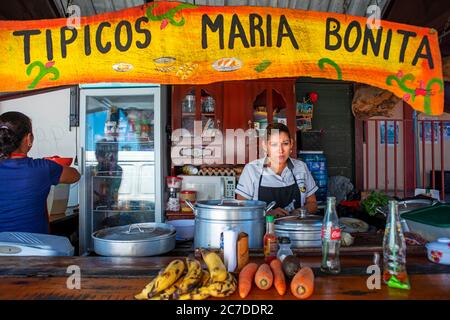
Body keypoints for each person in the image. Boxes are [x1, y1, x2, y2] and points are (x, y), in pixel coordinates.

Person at [0, 111, 80, 234]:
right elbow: (75, 175)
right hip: (35, 247)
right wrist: (51, 165)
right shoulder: (43, 168)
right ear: (29, 139)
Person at [236, 123, 318, 216]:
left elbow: (312, 203)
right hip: (263, 229)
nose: (280, 150)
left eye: (285, 143)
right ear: (265, 146)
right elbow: (241, 208)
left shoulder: (301, 167)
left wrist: (299, 212)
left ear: (291, 144)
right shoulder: (251, 170)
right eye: (274, 144)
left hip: (296, 229)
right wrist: (267, 213)